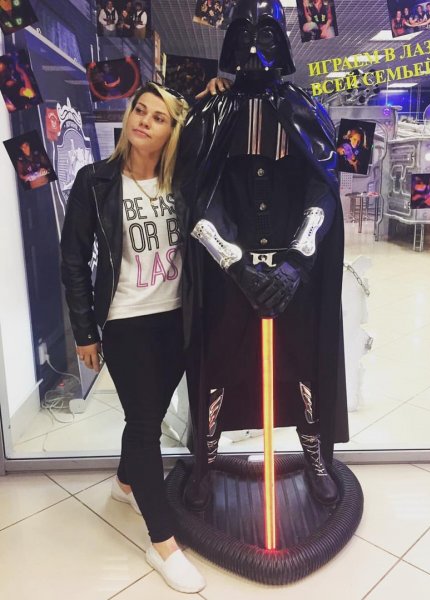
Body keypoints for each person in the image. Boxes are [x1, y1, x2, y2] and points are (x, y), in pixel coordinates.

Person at [174, 0, 348, 510]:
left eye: (266, 33)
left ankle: (316, 460)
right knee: (218, 365)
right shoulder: (209, 113)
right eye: (245, 33)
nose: (254, 46)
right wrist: (235, 263)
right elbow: (196, 195)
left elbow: (324, 190)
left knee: (303, 363)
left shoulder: (304, 108)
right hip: (229, 272)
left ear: (283, 42)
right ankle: (205, 465)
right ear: (229, 42)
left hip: (294, 270)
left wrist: (296, 263)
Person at [60, 82, 206, 594]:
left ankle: (126, 484)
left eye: (158, 117)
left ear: (172, 131)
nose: (143, 120)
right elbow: (73, 260)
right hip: (125, 321)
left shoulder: (183, 181)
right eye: (139, 110)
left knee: (149, 415)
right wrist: (85, 331)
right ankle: (162, 543)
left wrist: (209, 96)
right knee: (145, 426)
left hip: (177, 319)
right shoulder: (95, 181)